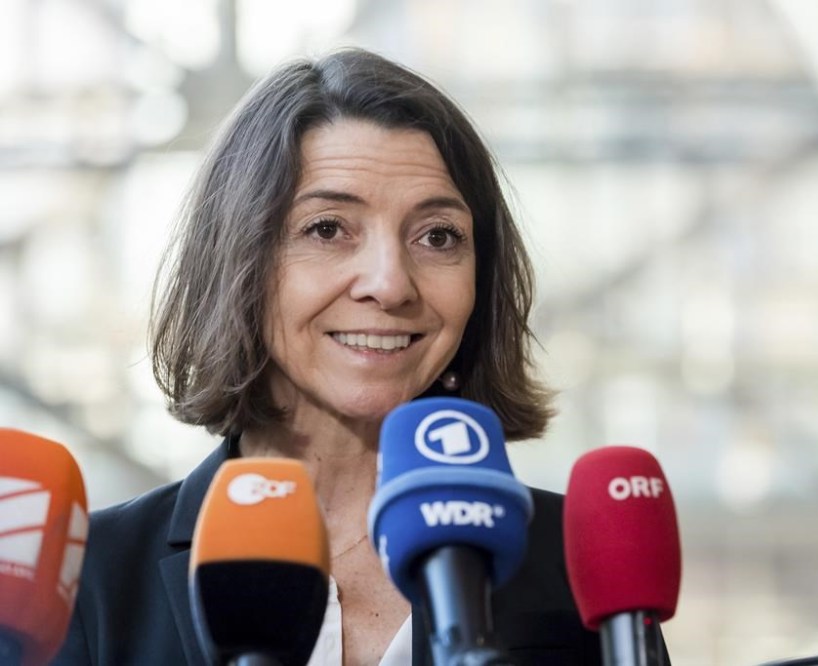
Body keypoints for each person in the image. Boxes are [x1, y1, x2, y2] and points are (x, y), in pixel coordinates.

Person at [53, 48, 666, 665]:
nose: (391, 283)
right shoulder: (89, 578)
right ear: (239, 260)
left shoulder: (579, 563)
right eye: (327, 229)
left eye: (437, 236)